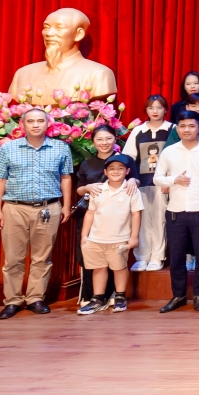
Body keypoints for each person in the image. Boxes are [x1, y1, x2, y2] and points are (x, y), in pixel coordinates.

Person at [0, 108, 74, 319]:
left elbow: (65, 178)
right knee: (13, 258)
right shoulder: (8, 148)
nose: (36, 125)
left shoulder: (61, 147)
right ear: (23, 125)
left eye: (40, 121)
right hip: (14, 208)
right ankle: (13, 300)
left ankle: (36, 298)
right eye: (31, 121)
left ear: (48, 124)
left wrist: (66, 206)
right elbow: (0, 180)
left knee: (42, 257)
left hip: (48, 208)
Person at [155, 111, 199, 313]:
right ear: (177, 128)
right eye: (182, 126)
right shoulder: (169, 151)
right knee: (176, 257)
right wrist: (174, 180)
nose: (187, 130)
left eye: (191, 126)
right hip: (175, 210)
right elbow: (157, 178)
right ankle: (179, 295)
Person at [76, 154, 142, 315]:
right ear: (105, 172)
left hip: (119, 238)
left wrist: (134, 237)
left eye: (120, 168)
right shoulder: (98, 190)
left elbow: (136, 214)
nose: (116, 171)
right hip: (96, 238)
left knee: (119, 267)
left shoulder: (131, 190)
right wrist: (84, 235)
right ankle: (97, 298)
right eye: (111, 168)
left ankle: (120, 296)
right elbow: (90, 213)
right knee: (98, 268)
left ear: (127, 171)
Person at [74, 124, 124, 308]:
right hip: (90, 215)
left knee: (114, 254)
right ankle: (91, 296)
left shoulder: (124, 160)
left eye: (108, 138)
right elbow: (79, 189)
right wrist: (87, 187)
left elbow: (134, 180)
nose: (104, 142)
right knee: (90, 253)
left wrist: (133, 181)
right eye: (100, 139)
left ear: (115, 139)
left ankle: (114, 294)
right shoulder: (86, 163)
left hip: (116, 215)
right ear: (93, 142)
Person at [124, 95, 172, 271]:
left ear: (165, 110)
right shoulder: (138, 131)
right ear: (146, 110)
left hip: (163, 184)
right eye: (151, 108)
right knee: (142, 220)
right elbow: (129, 157)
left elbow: (176, 156)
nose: (155, 111)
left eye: (159, 107)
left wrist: (169, 179)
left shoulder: (172, 129)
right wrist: (132, 178)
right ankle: (142, 257)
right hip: (141, 182)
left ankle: (157, 257)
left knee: (160, 219)